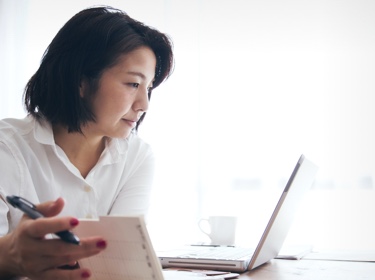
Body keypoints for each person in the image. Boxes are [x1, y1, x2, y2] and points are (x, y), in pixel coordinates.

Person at [0, 5, 174, 279]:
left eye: (148, 88)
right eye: (133, 84)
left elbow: (121, 263)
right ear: (81, 82)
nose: (144, 105)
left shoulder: (137, 156)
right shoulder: (7, 149)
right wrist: (11, 254)